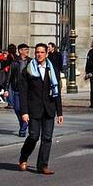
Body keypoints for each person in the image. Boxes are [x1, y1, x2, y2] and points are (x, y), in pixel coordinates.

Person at [19, 43, 62, 174]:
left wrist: (59, 112)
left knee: (47, 138)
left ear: (47, 54)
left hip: (49, 108)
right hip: (34, 108)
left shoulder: (52, 69)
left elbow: (57, 91)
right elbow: (23, 92)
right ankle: (24, 157)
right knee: (33, 136)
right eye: (37, 52)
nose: (39, 54)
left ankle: (42, 165)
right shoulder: (28, 70)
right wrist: (24, 112)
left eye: (42, 52)